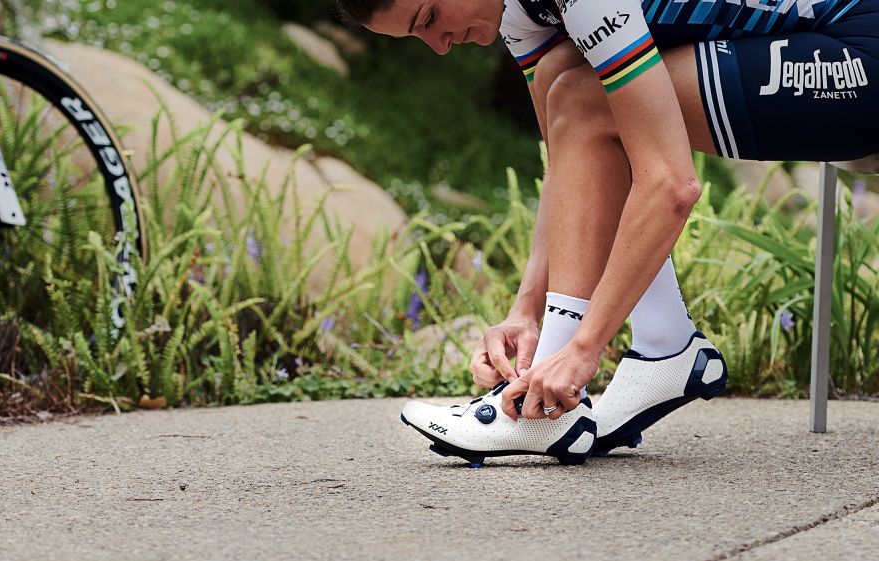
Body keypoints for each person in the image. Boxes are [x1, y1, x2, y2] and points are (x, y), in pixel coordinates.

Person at [336, 0, 878, 465]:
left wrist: (580, 348)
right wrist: (527, 311)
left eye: (430, 16)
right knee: (561, 82)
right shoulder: (523, 13)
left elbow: (670, 185)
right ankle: (665, 346)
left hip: (860, 50)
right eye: (419, 35)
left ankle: (552, 410)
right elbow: (570, 169)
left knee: (583, 98)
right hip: (806, 40)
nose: (439, 45)